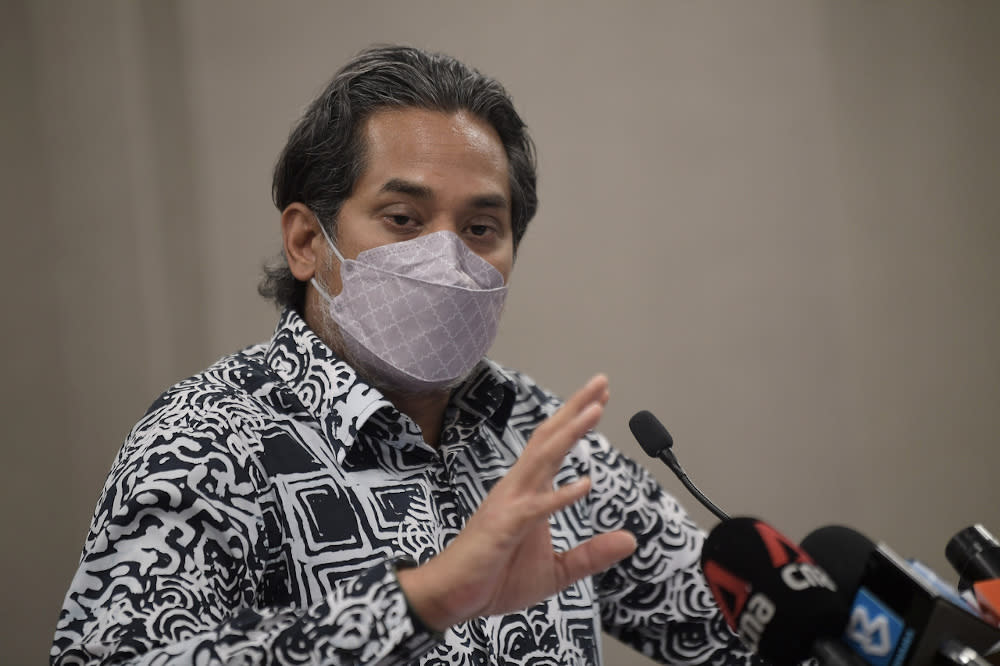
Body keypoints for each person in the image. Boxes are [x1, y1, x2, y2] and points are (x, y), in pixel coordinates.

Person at [52, 45, 754, 665]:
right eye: (403, 220)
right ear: (306, 242)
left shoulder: (537, 435)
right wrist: (420, 603)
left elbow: (737, 629)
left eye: (481, 227)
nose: (446, 259)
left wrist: (831, 617)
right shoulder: (208, 437)